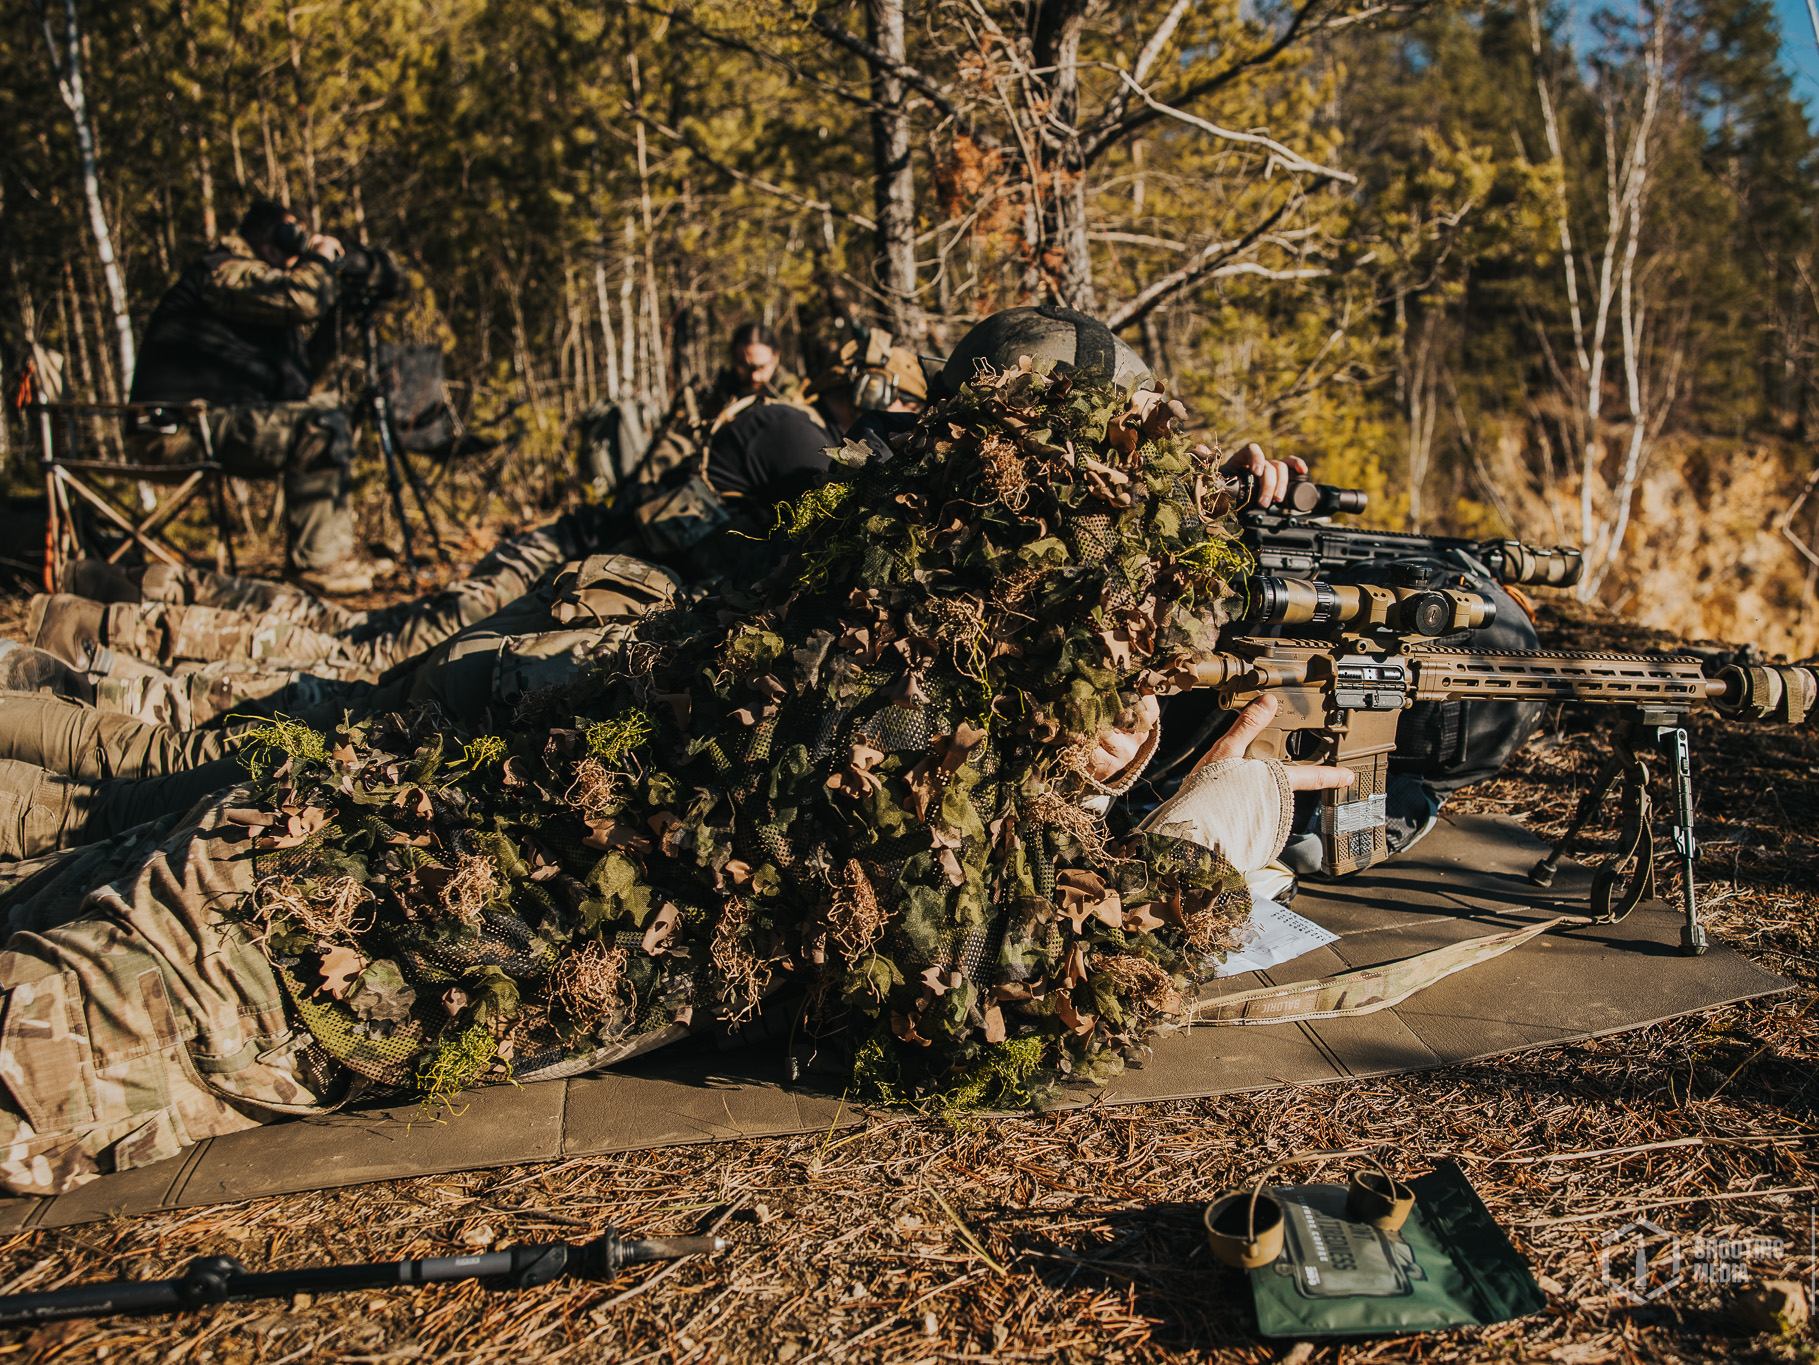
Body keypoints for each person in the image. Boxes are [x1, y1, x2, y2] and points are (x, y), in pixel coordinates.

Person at [0, 324, 1350, 1197]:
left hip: (285, 867)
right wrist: (1217, 825)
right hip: (246, 967)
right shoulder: (886, 695)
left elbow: (929, 790)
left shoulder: (866, 596)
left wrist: (1094, 768)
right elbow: (1041, 987)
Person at [127, 199, 384, 595]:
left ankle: (332, 552)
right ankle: (317, 564)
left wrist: (344, 309)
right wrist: (319, 261)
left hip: (210, 423)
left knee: (326, 409)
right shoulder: (223, 270)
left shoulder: (264, 302)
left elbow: (304, 385)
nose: (295, 247)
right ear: (263, 237)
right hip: (172, 429)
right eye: (289, 234)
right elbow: (301, 298)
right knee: (321, 423)